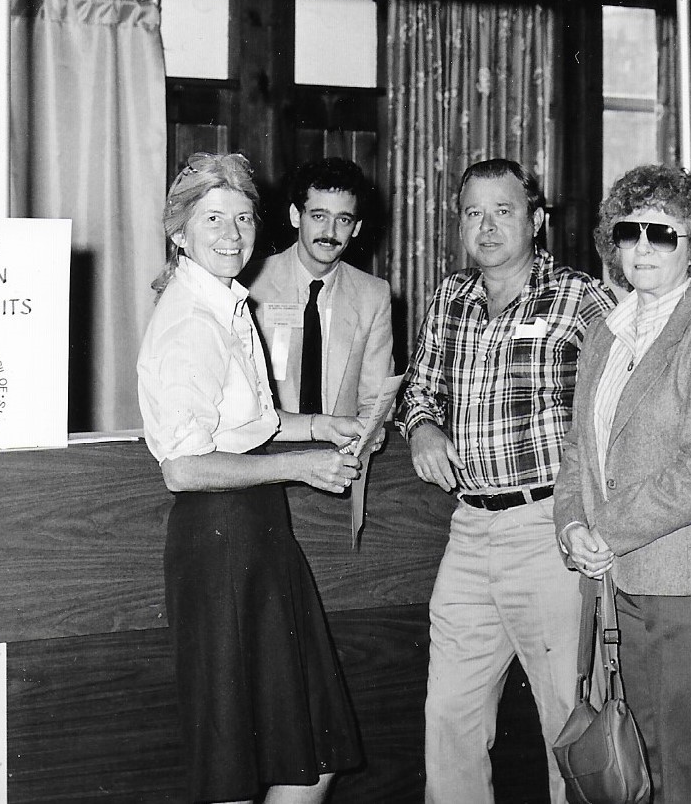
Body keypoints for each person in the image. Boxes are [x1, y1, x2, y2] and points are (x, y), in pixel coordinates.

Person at [137, 152, 365, 804]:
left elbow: (250, 422)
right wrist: (302, 464)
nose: (233, 233)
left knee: (310, 750)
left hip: (258, 532)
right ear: (179, 231)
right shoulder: (188, 320)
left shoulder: (226, 304)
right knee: (239, 761)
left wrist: (320, 425)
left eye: (242, 218)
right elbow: (182, 467)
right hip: (219, 539)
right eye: (214, 218)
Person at [397, 158, 616, 804]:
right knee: (449, 719)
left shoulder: (581, 298)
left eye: (504, 210)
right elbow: (420, 389)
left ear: (537, 218)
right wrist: (421, 427)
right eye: (473, 212)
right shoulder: (450, 298)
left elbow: (624, 406)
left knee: (567, 722)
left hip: (548, 530)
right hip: (468, 531)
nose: (487, 226)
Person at [553, 165, 691, 804]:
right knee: (635, 777)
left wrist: (602, 530)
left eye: (661, 234)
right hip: (618, 583)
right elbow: (579, 453)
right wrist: (569, 528)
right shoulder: (603, 333)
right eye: (628, 231)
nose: (641, 246)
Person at [246, 157, 395, 423]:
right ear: (295, 216)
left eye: (344, 220)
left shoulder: (373, 296)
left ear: (357, 227)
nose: (330, 231)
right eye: (319, 216)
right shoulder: (251, 285)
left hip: (340, 453)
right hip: (267, 450)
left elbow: (376, 402)